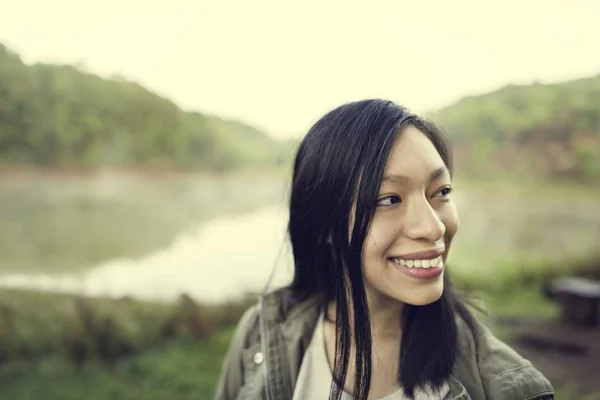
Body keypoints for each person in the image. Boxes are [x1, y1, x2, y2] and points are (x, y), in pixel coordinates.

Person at [214, 100, 554, 400]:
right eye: (389, 199)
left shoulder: (511, 388)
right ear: (324, 226)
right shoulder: (261, 333)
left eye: (442, 191)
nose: (434, 227)